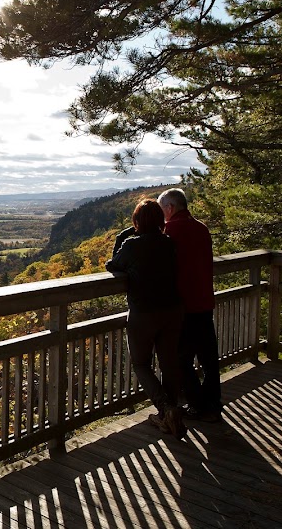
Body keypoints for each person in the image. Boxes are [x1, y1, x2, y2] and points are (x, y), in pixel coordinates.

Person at [106, 198, 186, 438]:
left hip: (144, 312)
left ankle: (166, 409)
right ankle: (169, 416)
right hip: (173, 310)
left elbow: (113, 264)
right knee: (169, 362)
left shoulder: (131, 244)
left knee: (141, 363)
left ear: (137, 221)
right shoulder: (169, 243)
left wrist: (123, 237)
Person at [158, 187, 222, 422]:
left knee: (180, 360)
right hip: (205, 301)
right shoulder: (201, 228)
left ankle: (197, 405)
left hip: (183, 306)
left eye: (162, 209)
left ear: (170, 208)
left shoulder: (170, 230)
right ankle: (214, 404)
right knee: (208, 358)